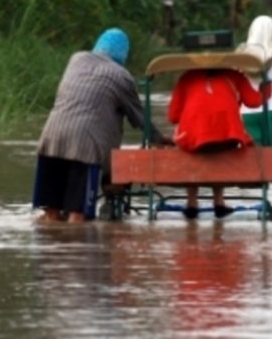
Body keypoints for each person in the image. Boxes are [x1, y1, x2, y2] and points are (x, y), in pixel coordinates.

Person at [32, 27, 169, 223]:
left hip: (50, 139)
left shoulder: (76, 60)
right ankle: (74, 252)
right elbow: (139, 118)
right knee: (77, 215)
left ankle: (51, 252)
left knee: (50, 215)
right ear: (123, 53)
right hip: (85, 147)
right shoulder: (122, 76)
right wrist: (158, 139)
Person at [167, 67, 270, 219]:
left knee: (192, 147)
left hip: (195, 139)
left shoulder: (188, 77)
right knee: (220, 147)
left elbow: (173, 116)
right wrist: (267, 88)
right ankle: (218, 201)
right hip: (229, 136)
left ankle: (191, 202)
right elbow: (254, 101)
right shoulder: (235, 75)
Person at [238, 15, 272, 147]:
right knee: (269, 153)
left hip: (247, 112)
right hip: (271, 111)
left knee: (250, 153)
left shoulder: (241, 53)